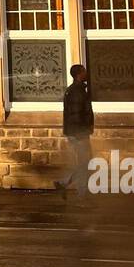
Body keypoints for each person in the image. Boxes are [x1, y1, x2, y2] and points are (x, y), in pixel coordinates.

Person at [57, 63, 94, 196]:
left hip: (76, 131)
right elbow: (76, 114)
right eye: (84, 71)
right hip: (78, 133)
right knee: (85, 162)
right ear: (79, 74)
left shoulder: (74, 90)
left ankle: (64, 183)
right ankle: (81, 194)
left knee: (86, 161)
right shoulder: (76, 92)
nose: (86, 74)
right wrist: (81, 133)